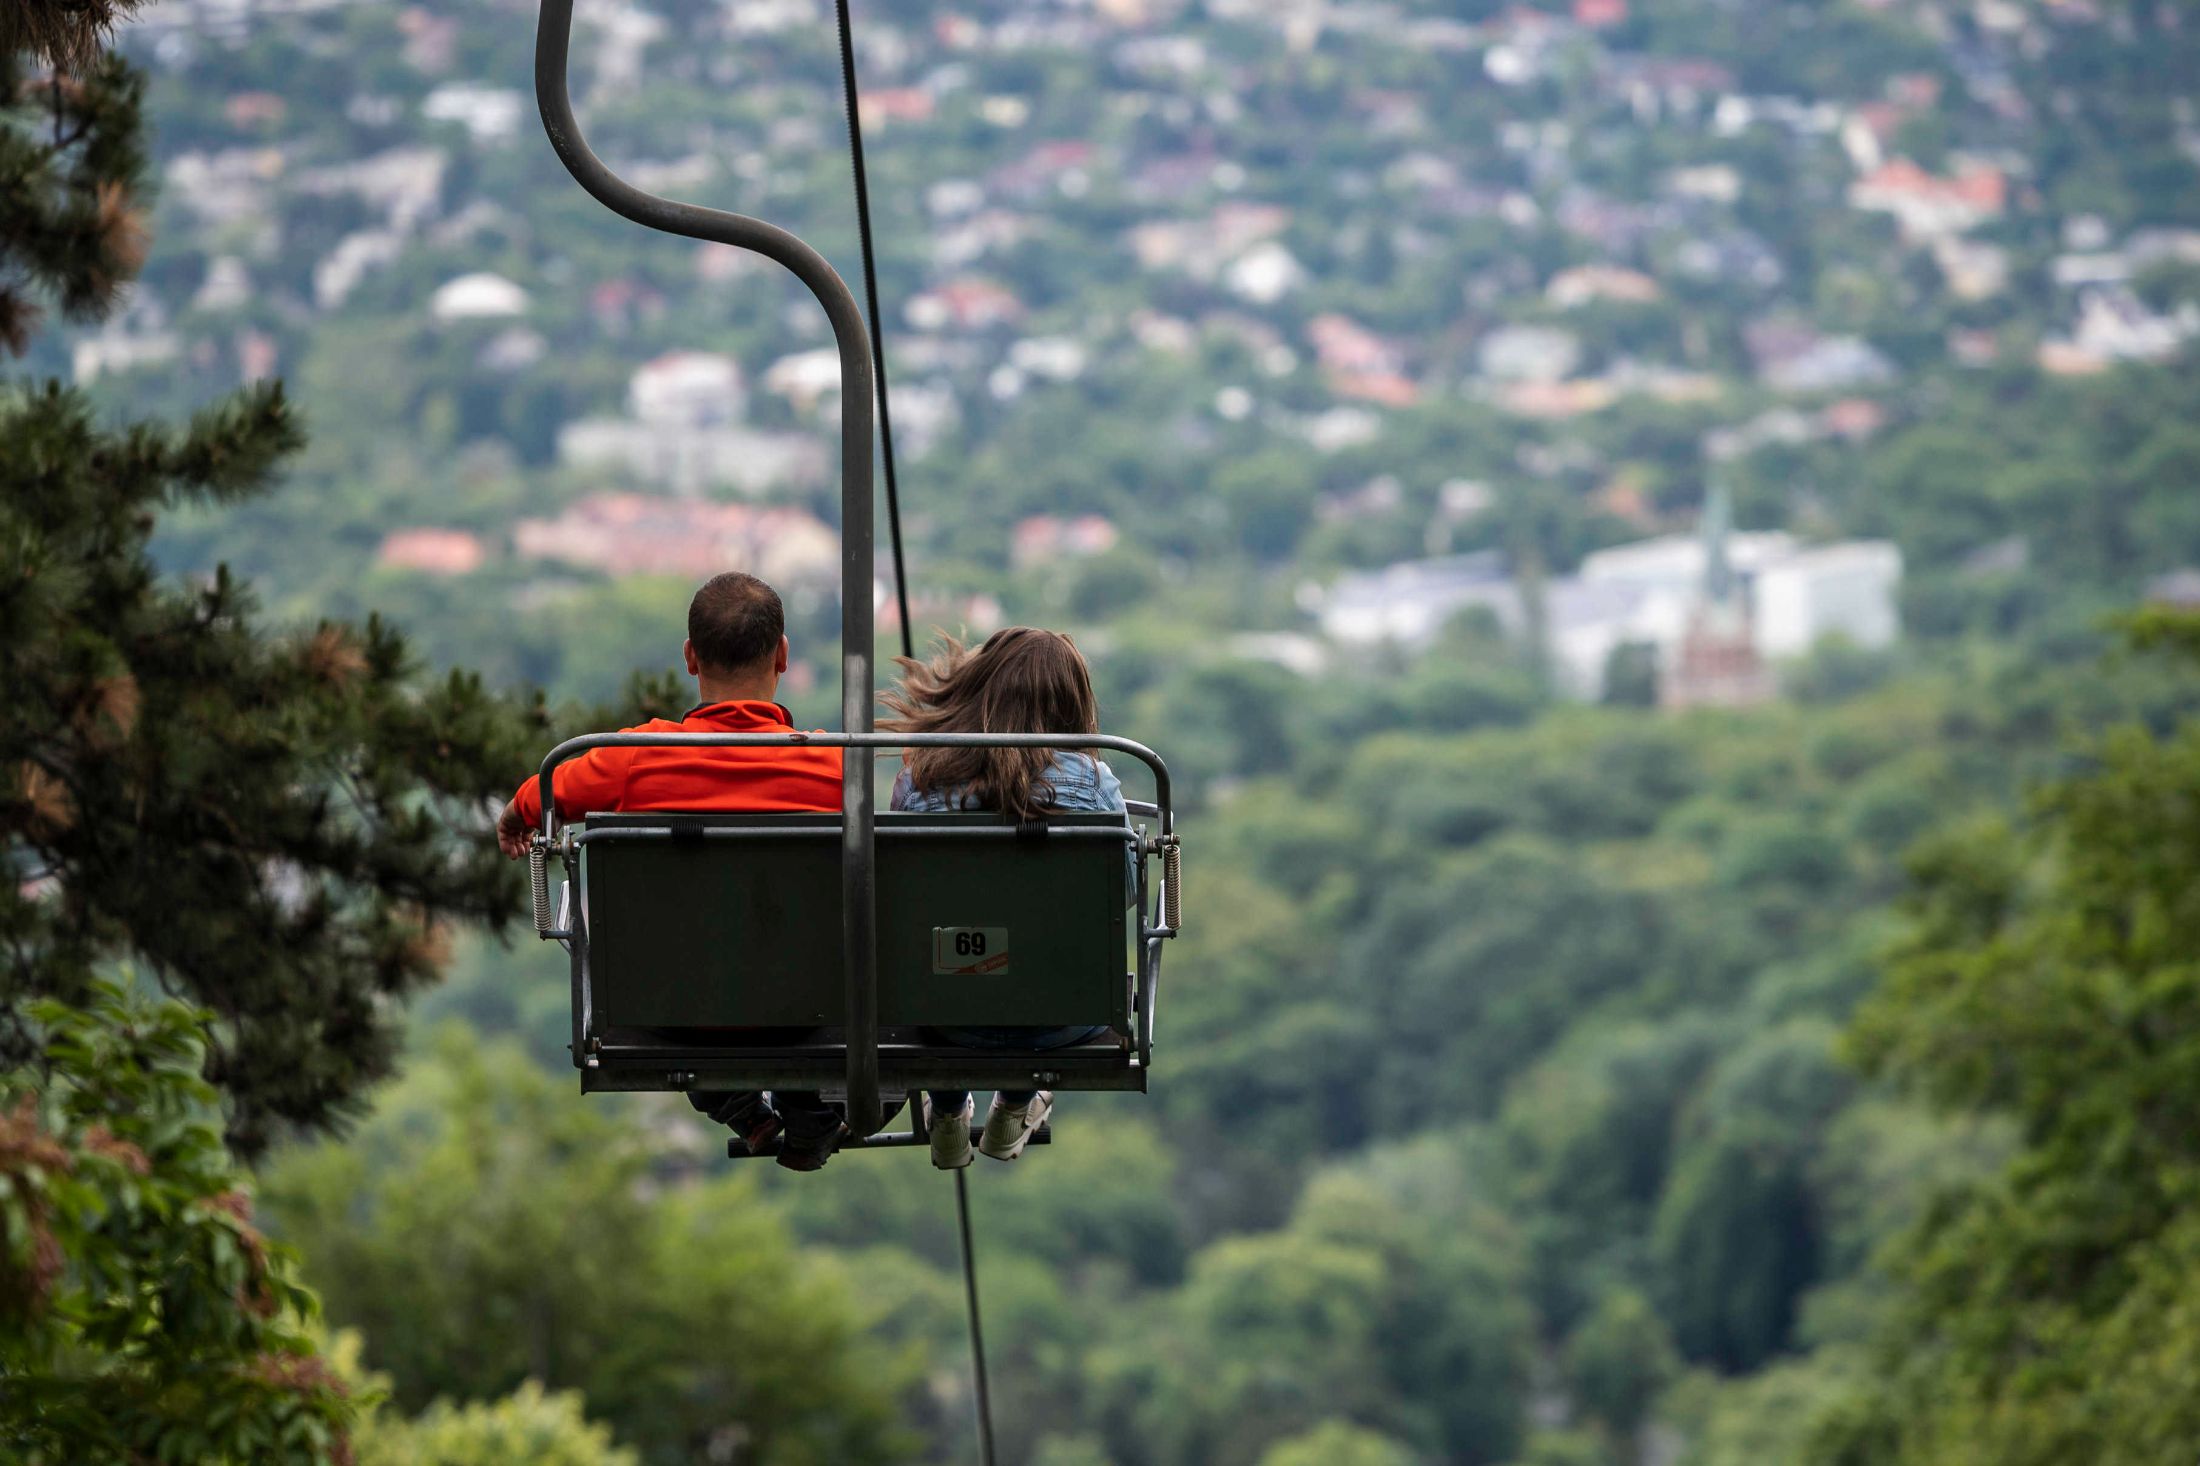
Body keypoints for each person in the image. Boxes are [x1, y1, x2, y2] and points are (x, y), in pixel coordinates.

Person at [494, 571, 852, 1171]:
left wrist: (515, 814)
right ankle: (808, 1108)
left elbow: (547, 791)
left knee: (687, 957)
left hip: (675, 1012)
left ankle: (742, 1107)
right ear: (783, 655)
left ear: (690, 657)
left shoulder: (636, 756)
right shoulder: (832, 767)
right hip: (800, 1008)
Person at [880, 627, 1130, 1170]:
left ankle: (948, 1110)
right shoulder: (1095, 784)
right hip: (1062, 1017)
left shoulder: (920, 782)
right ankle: (1016, 1103)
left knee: (959, 951)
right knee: (1036, 958)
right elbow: (1123, 895)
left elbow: (901, 902)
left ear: (978, 688)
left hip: (945, 1016)